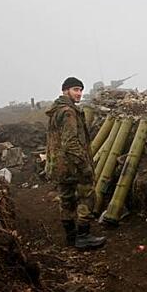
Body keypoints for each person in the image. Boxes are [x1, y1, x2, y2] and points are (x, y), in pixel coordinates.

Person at [45, 77, 106, 249]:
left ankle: (71, 237)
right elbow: (70, 143)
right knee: (86, 197)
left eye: (80, 90)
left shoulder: (56, 110)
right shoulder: (69, 112)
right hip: (72, 165)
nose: (79, 93)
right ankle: (83, 236)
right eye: (75, 89)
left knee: (66, 199)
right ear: (65, 91)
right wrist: (84, 166)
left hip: (60, 166)